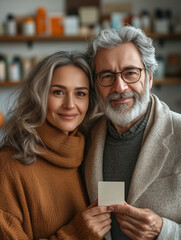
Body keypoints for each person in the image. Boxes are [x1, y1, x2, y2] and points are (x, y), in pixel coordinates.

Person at [0, 51, 112, 240]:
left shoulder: (92, 151)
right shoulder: (9, 165)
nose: (70, 104)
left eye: (80, 93)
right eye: (58, 92)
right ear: (39, 96)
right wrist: (75, 235)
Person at [84, 26, 181, 240]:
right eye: (107, 76)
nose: (120, 86)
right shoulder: (84, 136)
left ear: (149, 78)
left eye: (130, 73)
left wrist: (164, 231)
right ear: (95, 85)